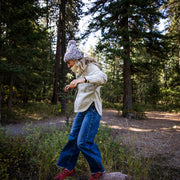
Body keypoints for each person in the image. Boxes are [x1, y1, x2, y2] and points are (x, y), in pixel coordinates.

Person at [55, 40, 107, 180]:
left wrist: (82, 79)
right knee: (73, 138)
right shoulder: (79, 72)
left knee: (83, 142)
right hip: (82, 110)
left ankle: (98, 171)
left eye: (69, 62)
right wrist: (73, 84)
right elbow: (84, 86)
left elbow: (103, 77)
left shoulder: (90, 67)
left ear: (74, 59)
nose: (68, 66)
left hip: (92, 108)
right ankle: (69, 168)